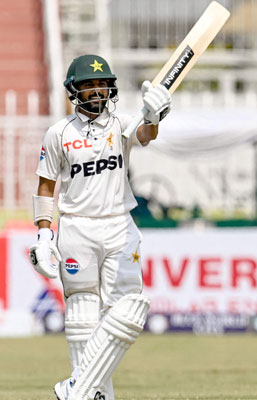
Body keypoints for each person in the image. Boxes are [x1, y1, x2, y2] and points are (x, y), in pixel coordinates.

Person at [28, 54, 171, 400]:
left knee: (130, 309)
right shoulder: (58, 133)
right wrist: (45, 235)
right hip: (76, 228)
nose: (96, 90)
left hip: (119, 225)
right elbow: (46, 186)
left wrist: (153, 115)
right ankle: (94, 395)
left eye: (102, 83)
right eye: (89, 84)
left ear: (111, 88)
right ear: (74, 90)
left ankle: (76, 388)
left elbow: (145, 134)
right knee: (81, 314)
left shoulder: (121, 124)